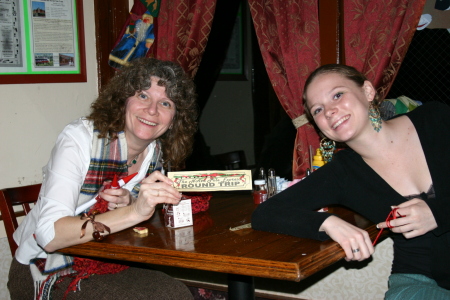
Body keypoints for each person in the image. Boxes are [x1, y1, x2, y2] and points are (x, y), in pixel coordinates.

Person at [252, 64, 450, 299]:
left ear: (367, 91)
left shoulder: (435, 119)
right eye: (317, 110)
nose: (329, 111)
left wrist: (438, 213)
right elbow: (265, 213)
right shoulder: (341, 172)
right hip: (421, 281)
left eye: (337, 95)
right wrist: (329, 223)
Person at [8, 57, 197, 300]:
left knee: (175, 292)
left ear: (174, 120)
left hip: (107, 256)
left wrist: (128, 201)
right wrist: (134, 212)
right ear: (123, 100)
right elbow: (49, 235)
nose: (152, 110)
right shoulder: (80, 139)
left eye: (166, 103)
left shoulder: (155, 152)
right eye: (143, 96)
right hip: (43, 265)